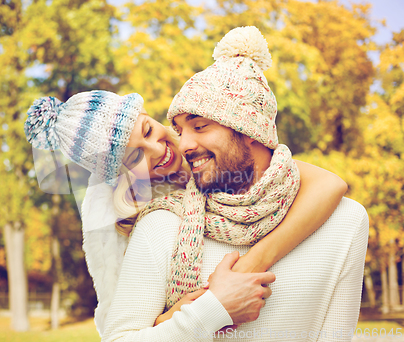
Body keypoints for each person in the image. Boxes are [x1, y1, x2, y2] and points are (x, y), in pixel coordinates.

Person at [101, 26, 369, 341]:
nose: (183, 144)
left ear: (248, 129)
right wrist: (210, 311)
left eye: (199, 126)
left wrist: (255, 260)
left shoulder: (346, 221)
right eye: (180, 129)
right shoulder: (161, 225)